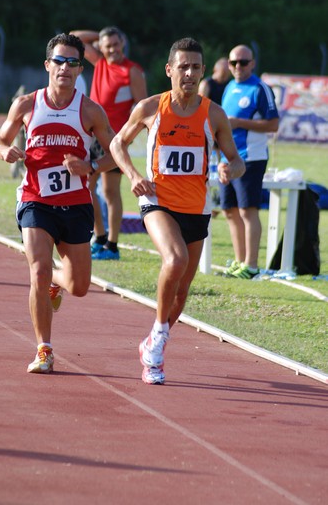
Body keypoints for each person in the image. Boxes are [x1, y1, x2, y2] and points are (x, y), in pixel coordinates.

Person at [109, 37, 245, 385]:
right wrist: (135, 175)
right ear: (169, 70)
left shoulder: (213, 114)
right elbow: (116, 144)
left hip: (196, 207)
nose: (189, 73)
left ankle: (153, 341)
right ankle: (157, 340)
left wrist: (231, 169)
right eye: (182, 67)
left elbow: (236, 159)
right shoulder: (151, 107)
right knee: (175, 260)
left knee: (182, 292)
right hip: (158, 200)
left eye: (195, 67)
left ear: (202, 72)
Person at [0, 33, 115, 374]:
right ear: (48, 65)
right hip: (35, 200)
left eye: (72, 62)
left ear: (79, 69)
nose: (64, 67)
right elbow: (0, 139)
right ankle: (44, 349)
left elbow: (115, 152)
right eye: (58, 61)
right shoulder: (27, 105)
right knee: (38, 269)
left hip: (75, 203)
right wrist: (5, 151)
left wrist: (89, 166)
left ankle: (55, 284)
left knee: (78, 286)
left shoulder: (90, 110)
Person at [70, 26, 148, 260]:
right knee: (87, 186)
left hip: (114, 137)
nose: (112, 49)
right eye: (107, 45)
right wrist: (99, 35)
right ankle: (100, 236)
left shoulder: (132, 71)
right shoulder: (100, 62)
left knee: (111, 191)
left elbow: (143, 108)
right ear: (100, 47)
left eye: (116, 44)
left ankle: (112, 245)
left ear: (123, 43)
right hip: (92, 135)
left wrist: (127, 138)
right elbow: (74, 38)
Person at [220, 44, 280, 279]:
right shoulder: (229, 87)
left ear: (252, 63)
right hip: (227, 159)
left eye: (243, 62)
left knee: (247, 210)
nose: (238, 67)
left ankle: (251, 265)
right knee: (230, 211)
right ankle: (239, 261)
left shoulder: (260, 89)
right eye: (234, 62)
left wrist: (240, 123)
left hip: (251, 158)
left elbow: (273, 125)